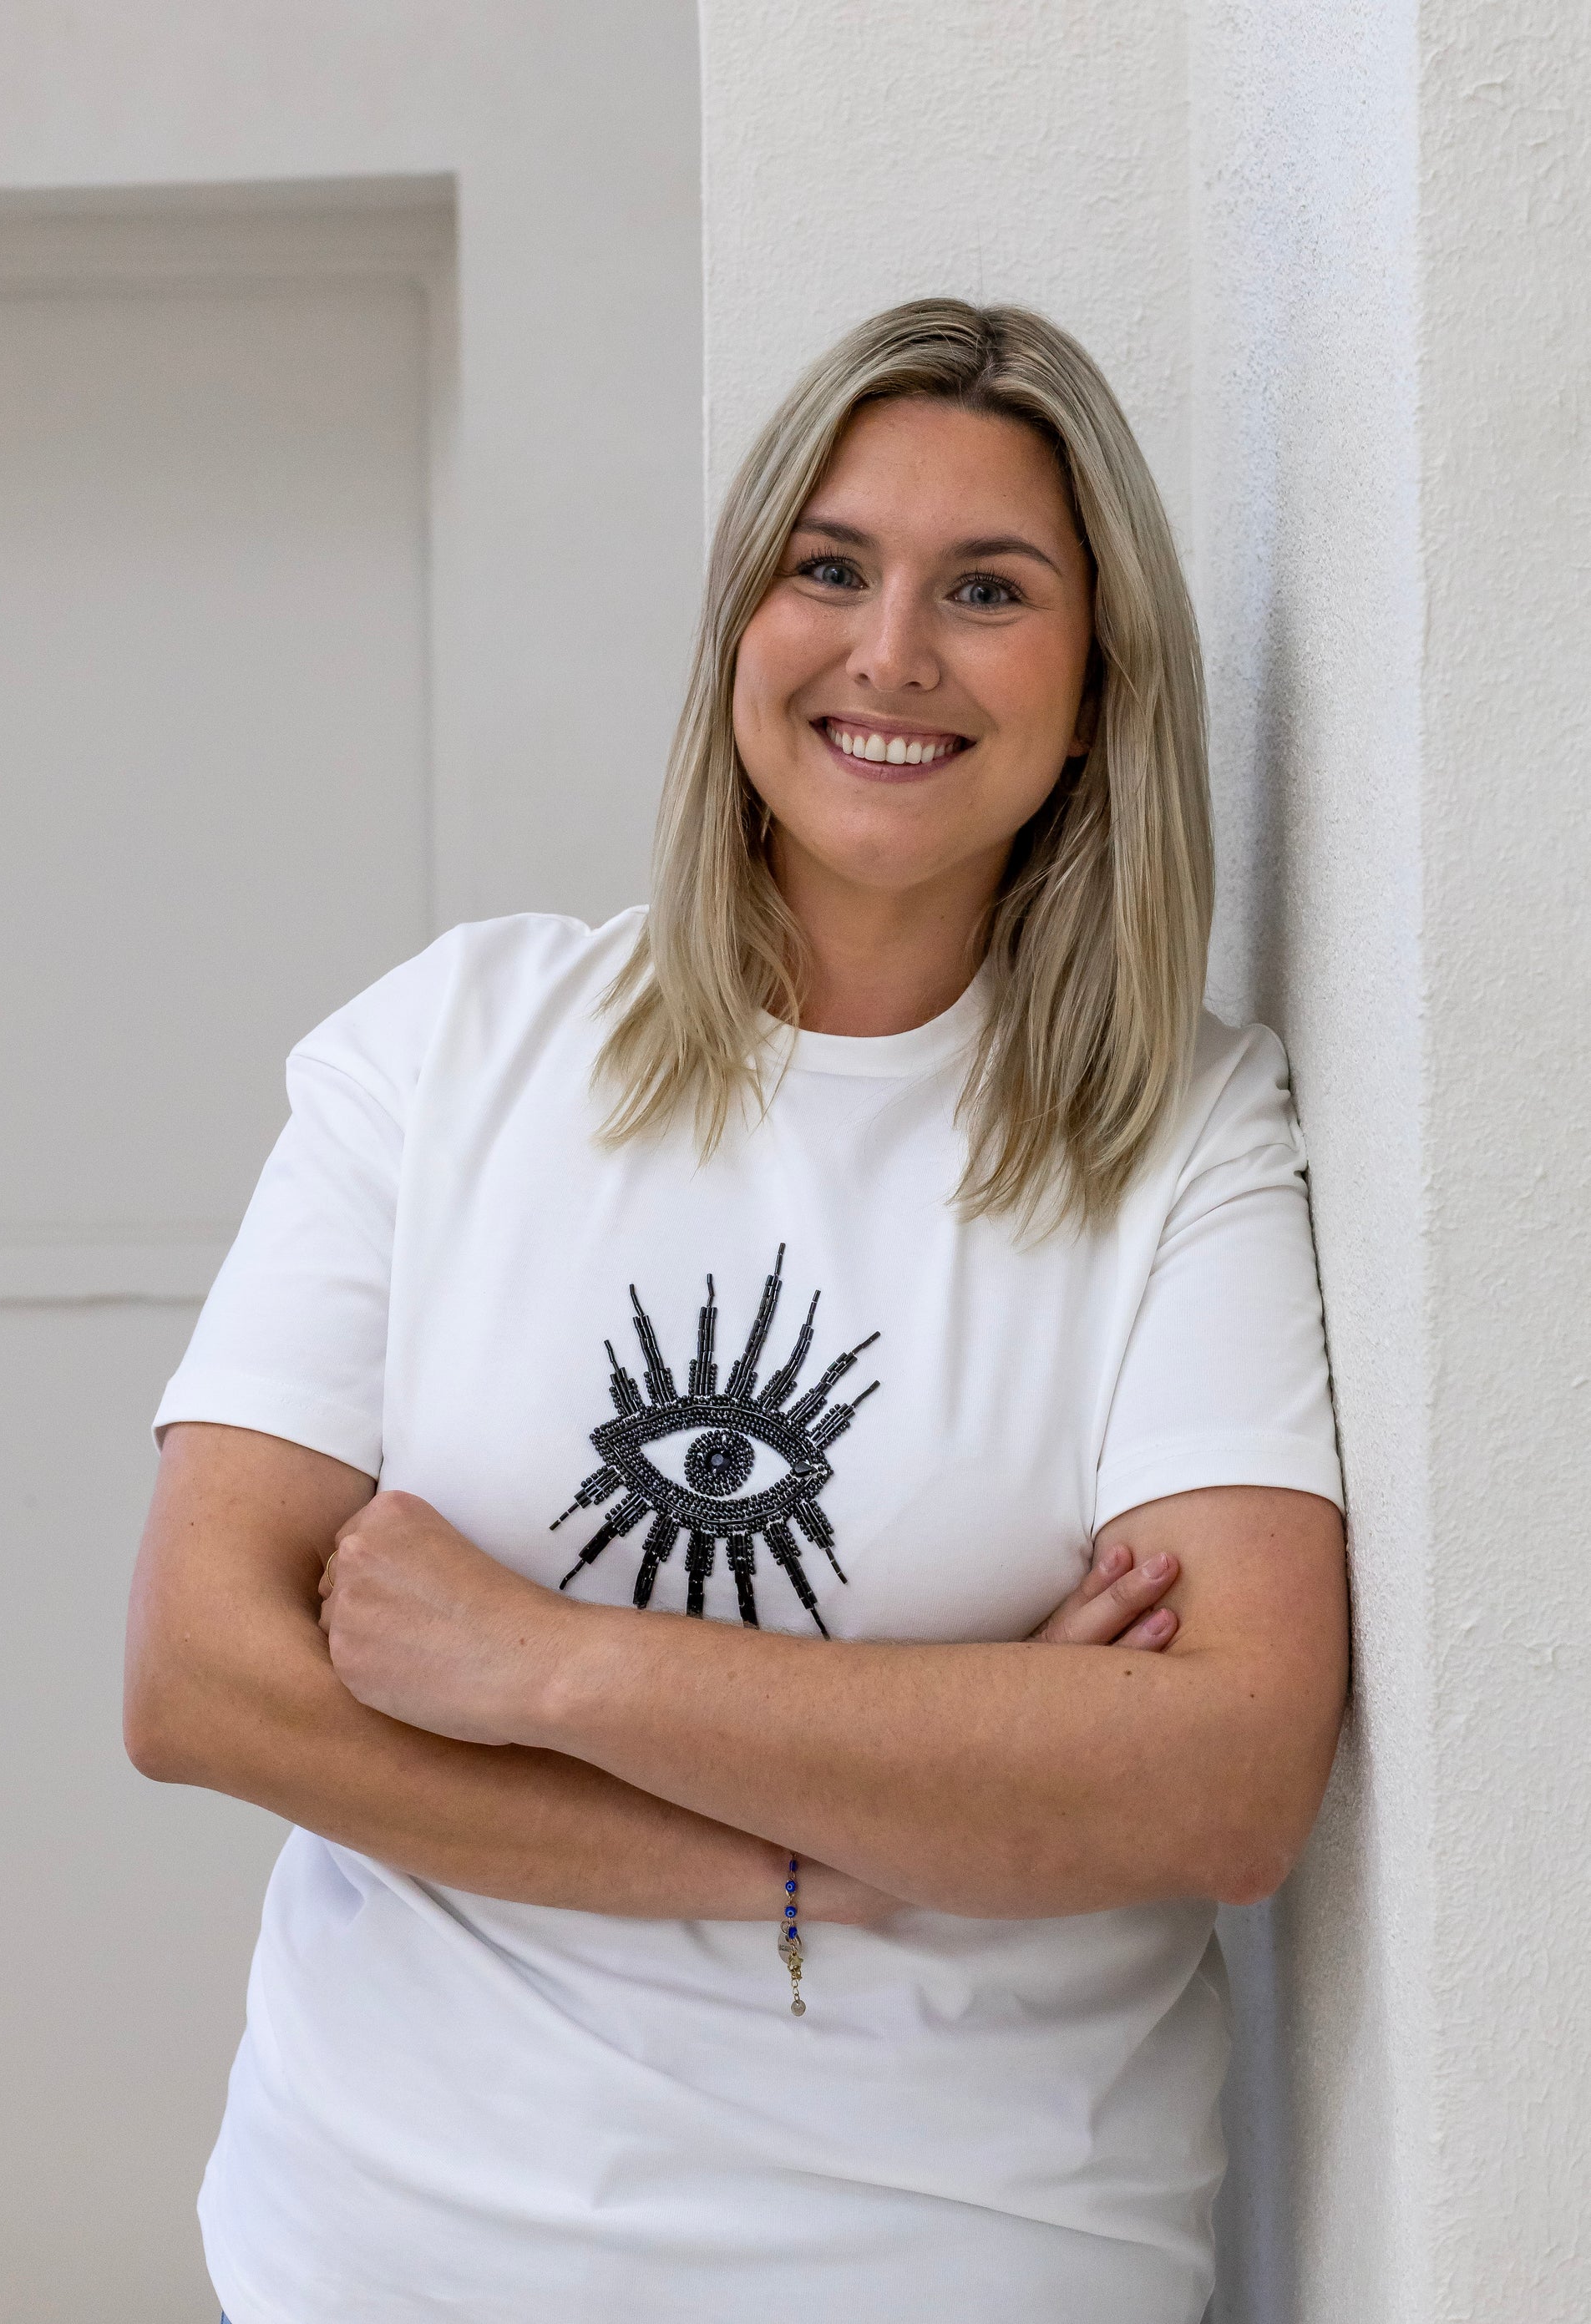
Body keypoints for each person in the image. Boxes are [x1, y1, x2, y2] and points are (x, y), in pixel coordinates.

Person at [125, 297, 1347, 2324]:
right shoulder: (448, 1052)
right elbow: (203, 1680)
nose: (892, 654)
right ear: (738, 626)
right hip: (385, 2247)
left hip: (963, 2255)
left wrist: (534, 1662)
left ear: (1096, 683)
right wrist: (850, 1846)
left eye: (988, 589)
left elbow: (1220, 1778)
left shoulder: (1186, 1134)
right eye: (829, 567)